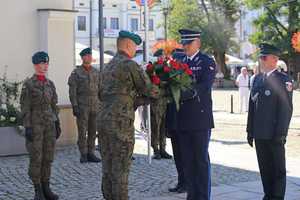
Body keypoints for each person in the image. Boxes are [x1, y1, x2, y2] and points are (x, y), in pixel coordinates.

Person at [98, 30, 159, 200]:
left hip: (104, 121)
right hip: (120, 123)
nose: (135, 50)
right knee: (121, 169)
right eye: (134, 47)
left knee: (108, 167)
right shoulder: (129, 65)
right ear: (127, 45)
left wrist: (134, 99)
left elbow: (102, 94)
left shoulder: (107, 66)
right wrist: (162, 89)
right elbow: (149, 89)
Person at [166, 29, 216, 199]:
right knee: (187, 161)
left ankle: (202, 196)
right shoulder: (178, 62)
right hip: (183, 119)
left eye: (188, 43)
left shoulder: (206, 61)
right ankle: (192, 195)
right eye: (184, 44)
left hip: (200, 119)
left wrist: (187, 93)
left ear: (197, 43)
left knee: (200, 161)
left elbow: (204, 85)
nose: (185, 47)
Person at [247, 43, 293, 200]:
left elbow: (286, 109)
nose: (260, 60)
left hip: (274, 134)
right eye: (261, 57)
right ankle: (268, 195)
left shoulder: (283, 80)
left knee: (278, 169)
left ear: (273, 59)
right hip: (260, 133)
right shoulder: (257, 79)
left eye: (263, 57)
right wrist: (249, 130)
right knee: (265, 168)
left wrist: (281, 133)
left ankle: (277, 196)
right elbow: (252, 106)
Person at [20, 51, 61, 200]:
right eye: (42, 63)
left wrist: (57, 123)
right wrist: (28, 127)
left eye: (46, 63)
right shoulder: (29, 85)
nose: (45, 66)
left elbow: (54, 105)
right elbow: (25, 108)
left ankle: (46, 187)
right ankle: (37, 190)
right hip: (36, 127)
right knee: (36, 158)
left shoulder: (50, 84)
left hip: (49, 126)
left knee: (48, 157)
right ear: (35, 65)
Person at [68, 48, 101, 163]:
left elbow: (100, 89)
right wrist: (75, 106)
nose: (89, 57)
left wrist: (101, 104)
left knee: (93, 130)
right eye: (87, 55)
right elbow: (72, 91)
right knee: (82, 131)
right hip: (82, 106)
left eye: (90, 55)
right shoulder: (76, 73)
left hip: (95, 105)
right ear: (82, 58)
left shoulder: (96, 72)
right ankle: (83, 153)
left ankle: (91, 152)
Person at [150, 48, 172, 160]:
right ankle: (156, 149)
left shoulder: (167, 68)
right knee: (155, 126)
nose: (163, 57)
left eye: (164, 56)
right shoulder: (153, 68)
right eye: (161, 56)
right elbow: (151, 84)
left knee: (164, 126)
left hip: (165, 101)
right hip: (156, 101)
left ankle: (163, 149)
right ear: (157, 57)